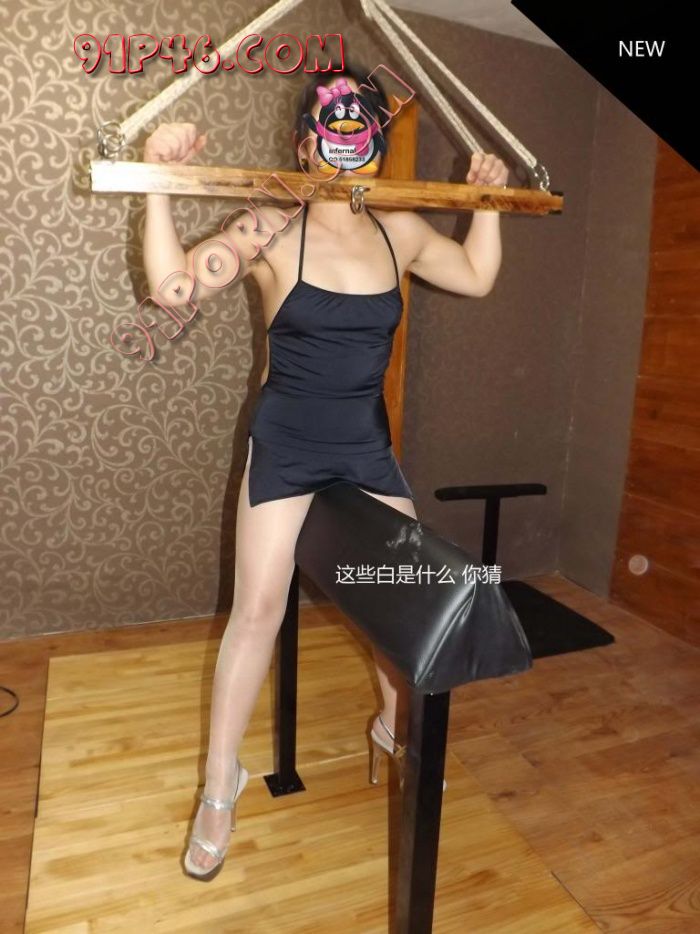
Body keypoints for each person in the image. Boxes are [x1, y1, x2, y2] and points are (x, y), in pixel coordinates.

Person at [142, 61, 507, 882]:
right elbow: (173, 289)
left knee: (404, 606)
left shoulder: (400, 231)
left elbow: (477, 276)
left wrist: (486, 202)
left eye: (359, 127)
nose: (345, 140)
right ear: (306, 143)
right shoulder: (269, 226)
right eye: (330, 127)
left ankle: (392, 727)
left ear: (374, 142)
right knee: (257, 612)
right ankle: (220, 786)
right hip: (288, 443)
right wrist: (158, 184)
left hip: (364, 447)